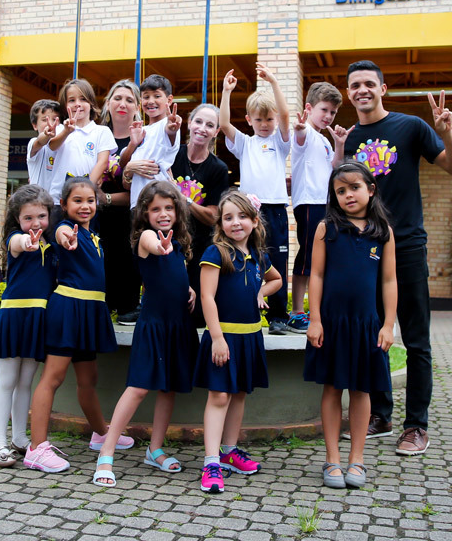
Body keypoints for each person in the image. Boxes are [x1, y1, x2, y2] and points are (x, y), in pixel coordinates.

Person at [342, 60, 452, 456]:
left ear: (383, 89)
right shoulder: (351, 139)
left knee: (416, 340)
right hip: (366, 248)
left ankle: (416, 426)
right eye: (355, 85)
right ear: (349, 93)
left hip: (408, 245)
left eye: (369, 83)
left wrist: (447, 133)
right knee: (371, 333)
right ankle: (380, 414)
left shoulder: (411, 126)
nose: (362, 90)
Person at [92, 181, 198, 486]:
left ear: (177, 211)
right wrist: (161, 246)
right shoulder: (147, 238)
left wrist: (188, 288)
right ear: (145, 215)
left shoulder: (179, 245)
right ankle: (107, 453)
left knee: (168, 388)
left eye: (169, 208)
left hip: (178, 325)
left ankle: (155, 449)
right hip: (154, 326)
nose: (163, 214)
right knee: (138, 388)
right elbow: (155, 246)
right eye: (155, 209)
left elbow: (172, 275)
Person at [24, 176, 133, 472]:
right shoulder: (65, 229)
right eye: (77, 201)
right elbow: (61, 234)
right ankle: (36, 448)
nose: (85, 206)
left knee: (89, 379)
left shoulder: (92, 233)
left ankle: (101, 433)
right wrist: (65, 239)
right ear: (63, 204)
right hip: (69, 309)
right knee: (53, 378)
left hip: (90, 312)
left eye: (90, 200)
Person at [304, 162, 397, 488]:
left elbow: (389, 281)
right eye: (340, 191)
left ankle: (357, 460)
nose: (348, 195)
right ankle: (332, 460)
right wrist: (315, 320)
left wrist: (388, 324)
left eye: (354, 188)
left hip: (366, 325)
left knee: (361, 389)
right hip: (331, 324)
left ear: (370, 189)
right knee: (332, 388)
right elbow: (316, 275)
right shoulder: (326, 228)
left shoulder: (383, 232)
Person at [194, 191, 283, 494]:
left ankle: (229, 452)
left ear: (255, 221)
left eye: (242, 216)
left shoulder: (258, 255)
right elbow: (207, 297)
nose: (236, 222)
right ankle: (211, 462)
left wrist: (261, 292)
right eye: (228, 217)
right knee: (220, 396)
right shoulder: (216, 253)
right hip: (224, 337)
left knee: (240, 393)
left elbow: (276, 280)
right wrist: (217, 338)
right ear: (220, 223)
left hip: (250, 337)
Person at [219, 64, 292, 335]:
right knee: (248, 258)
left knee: (277, 261)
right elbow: (224, 124)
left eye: (269, 120)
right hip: (250, 213)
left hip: (276, 210)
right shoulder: (244, 143)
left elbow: (286, 114)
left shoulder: (280, 142)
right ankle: (245, 307)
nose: (264, 125)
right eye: (259, 120)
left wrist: (273, 82)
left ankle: (278, 316)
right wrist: (226, 92)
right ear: (249, 120)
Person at [0, 185, 54, 467]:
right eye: (28, 218)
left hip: (38, 317)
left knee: (26, 382)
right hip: (14, 315)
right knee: (6, 380)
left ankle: (19, 438)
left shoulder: (52, 243)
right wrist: (26, 242)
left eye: (41, 216)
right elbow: (18, 243)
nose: (35, 223)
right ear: (17, 219)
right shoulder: (16, 239)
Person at [288, 82, 347, 333]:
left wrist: (340, 143)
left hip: (325, 203)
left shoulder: (324, 140)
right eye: (324, 110)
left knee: (321, 257)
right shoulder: (305, 133)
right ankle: (297, 312)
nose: (329, 116)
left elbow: (336, 167)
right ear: (309, 108)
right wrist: (300, 128)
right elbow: (299, 138)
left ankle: (314, 309)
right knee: (308, 255)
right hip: (309, 203)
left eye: (333, 112)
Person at [170, 103, 230, 328]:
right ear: (189, 123)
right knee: (169, 309)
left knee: (195, 316)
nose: (202, 128)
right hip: (169, 240)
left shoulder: (218, 168)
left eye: (210, 125)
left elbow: (213, 216)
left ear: (216, 132)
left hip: (200, 245)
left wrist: (182, 198)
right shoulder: (172, 154)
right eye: (198, 121)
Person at [99, 79, 148, 323]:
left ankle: (128, 306)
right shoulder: (96, 137)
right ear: (108, 104)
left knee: (128, 261)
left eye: (129, 100)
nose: (122, 104)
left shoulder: (144, 141)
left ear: (137, 107)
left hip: (129, 220)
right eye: (117, 98)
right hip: (96, 220)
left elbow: (142, 190)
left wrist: (106, 198)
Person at [47, 78, 117, 204]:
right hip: (59, 199)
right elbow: (52, 146)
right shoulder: (60, 129)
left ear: (91, 103)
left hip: (88, 200)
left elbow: (102, 162)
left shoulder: (102, 131)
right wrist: (66, 131)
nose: (77, 104)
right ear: (65, 105)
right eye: (72, 100)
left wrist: (85, 190)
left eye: (83, 99)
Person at [123, 74, 183, 208]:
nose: (150, 101)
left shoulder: (166, 125)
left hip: (159, 202)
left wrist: (172, 128)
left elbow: (170, 132)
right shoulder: (141, 130)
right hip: (138, 203)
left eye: (157, 96)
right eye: (146, 97)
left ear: (169, 100)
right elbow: (123, 163)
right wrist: (133, 144)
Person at [26, 99, 62, 189]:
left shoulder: (64, 145)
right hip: (38, 196)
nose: (50, 123)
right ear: (34, 125)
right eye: (45, 120)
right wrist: (47, 134)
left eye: (55, 119)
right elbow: (40, 142)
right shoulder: (33, 143)